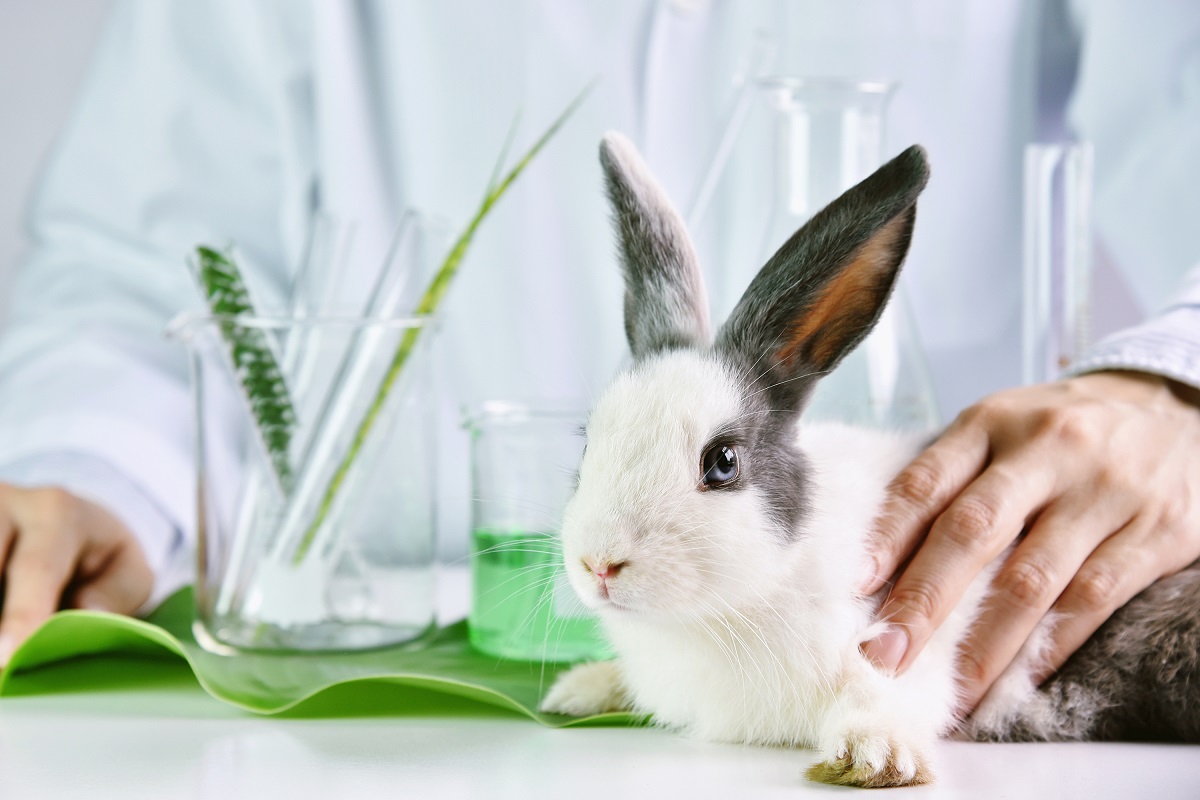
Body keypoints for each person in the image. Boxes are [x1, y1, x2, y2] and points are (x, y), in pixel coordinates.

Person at [0, 0, 1197, 723]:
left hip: (958, 602)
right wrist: (91, 461)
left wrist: (1170, 378)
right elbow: (140, 256)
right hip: (435, 670)